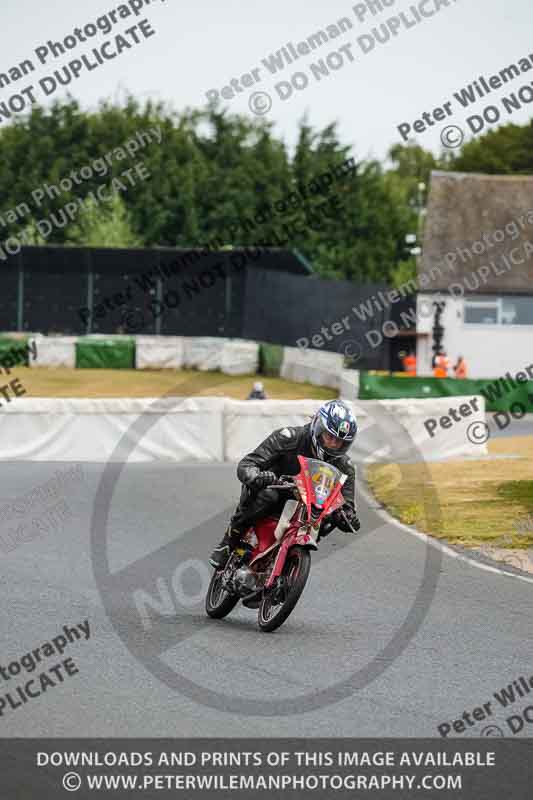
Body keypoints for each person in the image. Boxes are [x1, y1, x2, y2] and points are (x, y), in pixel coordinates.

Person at [210, 400, 361, 568]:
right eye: (329, 437)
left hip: (308, 509)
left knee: (331, 518)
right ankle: (229, 541)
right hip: (275, 492)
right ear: (319, 428)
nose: (333, 444)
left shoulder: (345, 466)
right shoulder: (288, 437)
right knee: (268, 495)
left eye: (339, 441)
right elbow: (247, 464)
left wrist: (347, 517)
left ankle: (289, 559)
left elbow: (347, 505)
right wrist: (258, 476)